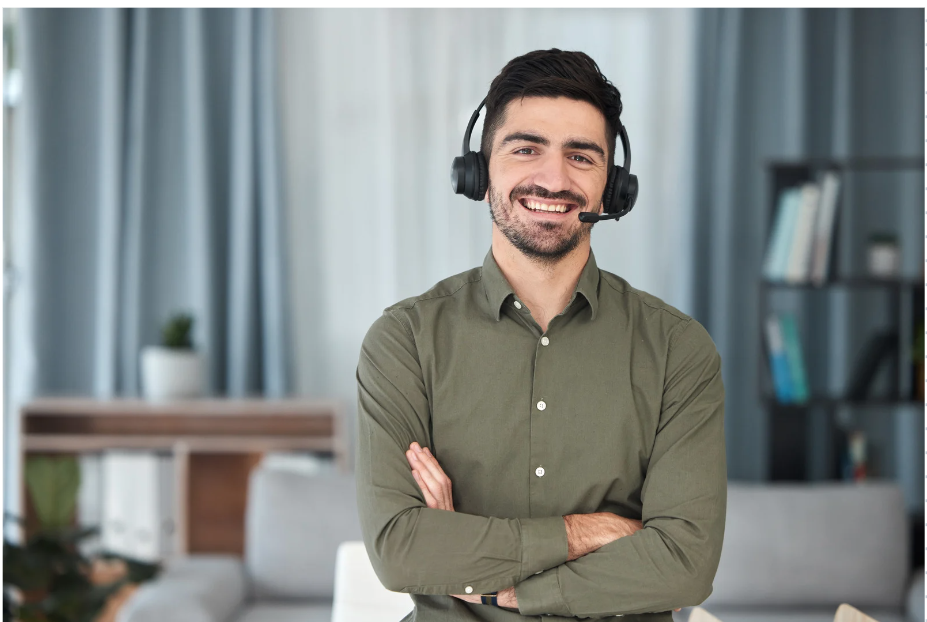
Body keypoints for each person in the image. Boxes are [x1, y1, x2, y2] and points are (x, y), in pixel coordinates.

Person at [355, 48, 726, 622]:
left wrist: (490, 578)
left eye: (581, 156)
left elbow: (685, 564)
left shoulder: (679, 350)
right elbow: (400, 550)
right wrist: (587, 532)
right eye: (526, 149)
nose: (553, 179)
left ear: (612, 189)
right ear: (479, 174)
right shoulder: (402, 341)